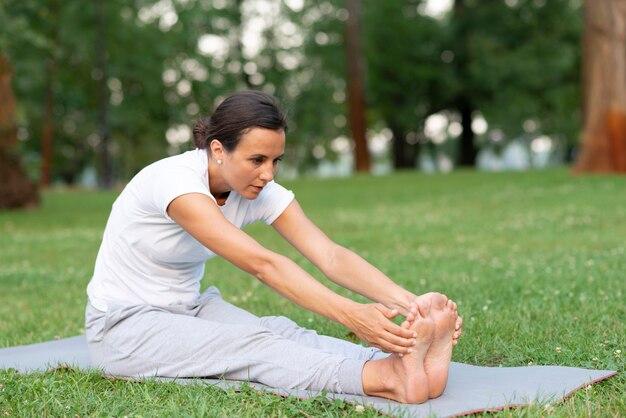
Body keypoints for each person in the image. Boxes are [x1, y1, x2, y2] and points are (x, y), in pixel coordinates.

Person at [85, 90, 463, 404]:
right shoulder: (175, 183)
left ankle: (406, 360)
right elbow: (262, 264)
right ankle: (385, 377)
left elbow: (329, 255)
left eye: (275, 160)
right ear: (218, 149)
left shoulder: (256, 188)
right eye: (257, 160)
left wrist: (411, 305)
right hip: (123, 327)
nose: (268, 173)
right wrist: (351, 314)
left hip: (189, 309)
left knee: (282, 330)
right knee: (254, 344)